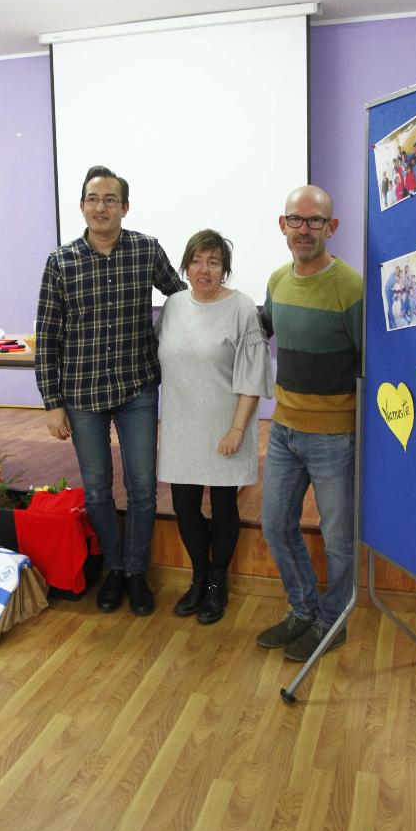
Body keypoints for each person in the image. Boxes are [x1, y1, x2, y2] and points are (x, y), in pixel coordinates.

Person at [35, 164, 185, 617]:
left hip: (137, 385)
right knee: (97, 489)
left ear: (125, 206)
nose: (101, 207)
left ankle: (136, 572)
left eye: (110, 199)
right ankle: (114, 569)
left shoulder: (145, 250)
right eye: (93, 199)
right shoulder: (61, 261)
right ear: (82, 206)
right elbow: (48, 335)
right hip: (81, 394)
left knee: (141, 486)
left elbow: (180, 297)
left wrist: (226, 310)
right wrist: (52, 403)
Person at [256, 185, 363, 661]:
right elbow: (262, 334)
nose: (304, 229)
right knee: (275, 524)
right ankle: (303, 610)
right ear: (282, 225)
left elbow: (369, 362)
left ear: (331, 227)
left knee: (338, 541)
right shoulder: (277, 280)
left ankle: (332, 621)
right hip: (283, 429)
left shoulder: (350, 287)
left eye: (314, 221)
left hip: (335, 435)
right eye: (295, 220)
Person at [157, 230, 273, 623]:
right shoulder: (173, 305)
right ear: (185, 265)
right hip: (181, 425)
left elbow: (254, 376)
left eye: (213, 262)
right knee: (185, 506)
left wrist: (238, 430)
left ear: (225, 269)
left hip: (226, 425)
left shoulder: (241, 308)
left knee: (223, 506)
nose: (203, 269)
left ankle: (217, 582)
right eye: (196, 260)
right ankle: (198, 576)